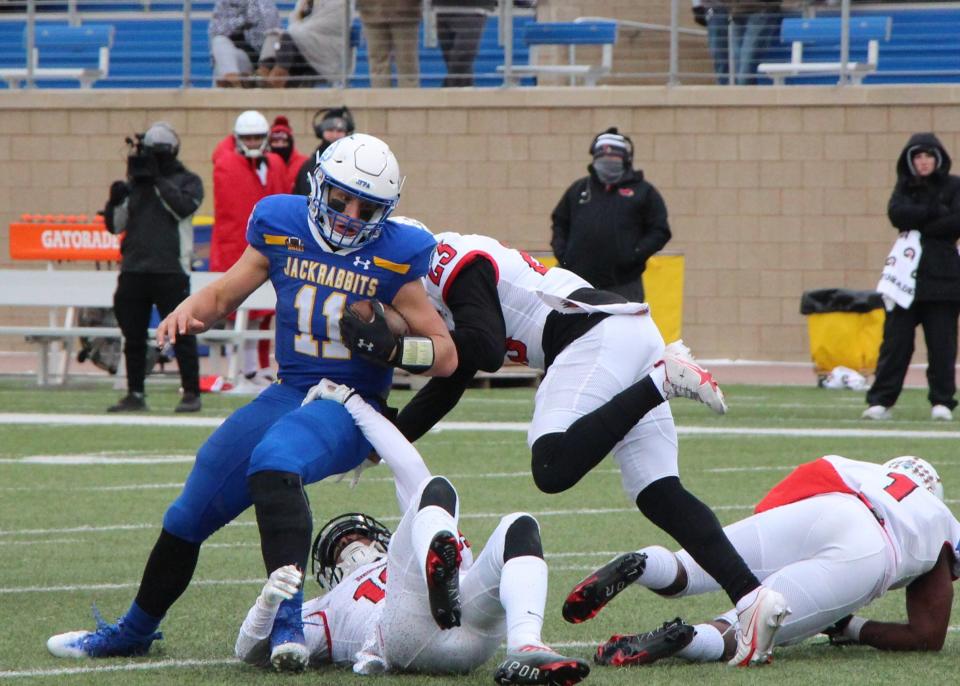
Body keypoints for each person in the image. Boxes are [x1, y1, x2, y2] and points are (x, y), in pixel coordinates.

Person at [45, 134, 457, 667]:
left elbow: (445, 356)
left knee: (276, 459)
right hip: (289, 391)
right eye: (340, 200)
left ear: (387, 211)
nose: (351, 216)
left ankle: (287, 626)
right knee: (192, 504)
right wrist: (187, 312)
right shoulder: (282, 225)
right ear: (319, 188)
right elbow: (223, 294)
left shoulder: (397, 255)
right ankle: (134, 630)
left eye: (367, 207)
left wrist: (397, 347)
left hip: (352, 404)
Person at [391, 230, 788, 667]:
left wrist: (397, 347)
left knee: (552, 464)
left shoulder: (450, 262)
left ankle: (663, 381)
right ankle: (752, 598)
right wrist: (384, 440)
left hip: (595, 334)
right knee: (659, 491)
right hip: (627, 334)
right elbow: (450, 383)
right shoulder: (434, 283)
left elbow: (484, 349)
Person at [232, 377, 591, 682]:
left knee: (519, 525)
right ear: (332, 572)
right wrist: (267, 603)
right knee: (431, 490)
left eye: (357, 537)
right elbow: (251, 652)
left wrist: (352, 402)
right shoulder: (324, 605)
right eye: (342, 546)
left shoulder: (399, 552)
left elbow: (405, 460)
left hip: (473, 633)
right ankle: (442, 576)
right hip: (400, 632)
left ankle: (525, 644)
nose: (354, 546)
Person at [575, 455, 959, 666]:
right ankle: (686, 638)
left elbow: (813, 472)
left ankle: (643, 564)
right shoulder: (939, 519)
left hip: (827, 507)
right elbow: (927, 636)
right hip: (873, 550)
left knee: (689, 566)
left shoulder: (868, 471)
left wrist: (764, 537)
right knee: (748, 631)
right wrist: (849, 627)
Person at [103, 122, 204, 414]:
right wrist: (115, 201)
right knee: (132, 335)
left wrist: (158, 180)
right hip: (134, 267)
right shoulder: (135, 184)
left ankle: (191, 393)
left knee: (182, 332)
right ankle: (135, 392)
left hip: (171, 269)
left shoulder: (187, 180)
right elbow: (115, 226)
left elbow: (183, 208)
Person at [863, 133, 960, 422]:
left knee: (942, 345)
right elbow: (897, 214)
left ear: (938, 159)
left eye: (928, 156)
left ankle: (942, 401)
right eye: (918, 157)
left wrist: (920, 220)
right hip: (904, 280)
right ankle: (881, 401)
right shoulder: (905, 186)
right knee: (895, 344)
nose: (923, 162)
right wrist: (932, 211)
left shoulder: (955, 186)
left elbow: (955, 221)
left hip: (943, 279)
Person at [212, 110, 288, 389]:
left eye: (258, 137)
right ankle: (244, 368)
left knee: (266, 314)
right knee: (241, 314)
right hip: (238, 247)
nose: (254, 142)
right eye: (248, 137)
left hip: (270, 246)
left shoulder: (275, 164)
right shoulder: (227, 163)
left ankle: (259, 366)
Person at [551, 128, 671, 303]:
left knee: (622, 329)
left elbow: (659, 230)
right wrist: (564, 255)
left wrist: (634, 255)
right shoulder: (579, 190)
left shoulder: (643, 191)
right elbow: (560, 222)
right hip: (577, 282)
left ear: (625, 159)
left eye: (613, 157)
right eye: (602, 158)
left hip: (623, 284)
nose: (608, 162)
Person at [257, 0, 349, 88]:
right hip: (302, 47)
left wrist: (300, 29)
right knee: (273, 37)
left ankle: (275, 81)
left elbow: (327, 25)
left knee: (286, 39)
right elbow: (293, 20)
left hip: (323, 51)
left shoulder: (340, 3)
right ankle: (262, 77)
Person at [692, 1, 782, 86]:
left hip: (762, 9)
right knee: (737, 72)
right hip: (737, 12)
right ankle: (743, 100)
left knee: (744, 74)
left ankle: (745, 100)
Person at [209, 0, 280, 87]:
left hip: (261, 62)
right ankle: (234, 82)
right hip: (238, 57)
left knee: (220, 69)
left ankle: (234, 85)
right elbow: (216, 30)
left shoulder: (267, 3)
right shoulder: (226, 2)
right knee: (219, 42)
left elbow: (274, 31)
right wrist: (243, 21)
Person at [356, 0, 420, 88]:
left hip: (403, 11)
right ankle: (382, 100)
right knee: (405, 65)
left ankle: (407, 100)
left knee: (405, 64)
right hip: (374, 11)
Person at [293, 106, 355, 196]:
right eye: (330, 130)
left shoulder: (353, 164)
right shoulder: (309, 166)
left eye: (340, 130)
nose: (335, 135)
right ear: (321, 132)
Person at [433, 0, 494, 87]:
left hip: (476, 7)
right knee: (455, 62)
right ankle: (462, 94)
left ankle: (449, 92)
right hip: (442, 8)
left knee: (463, 55)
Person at [268, 115, 309, 192]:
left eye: (284, 142)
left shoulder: (303, 163)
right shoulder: (264, 165)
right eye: (275, 142)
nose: (280, 145)